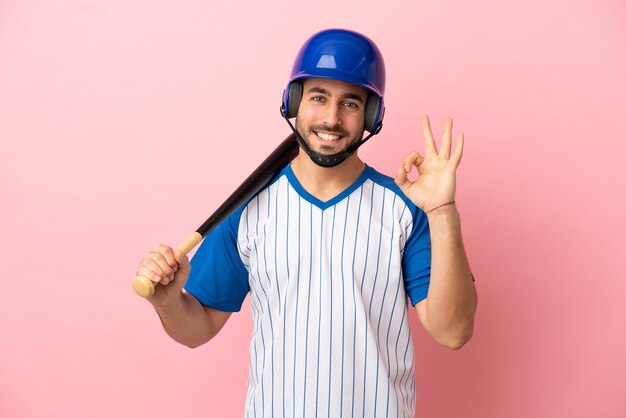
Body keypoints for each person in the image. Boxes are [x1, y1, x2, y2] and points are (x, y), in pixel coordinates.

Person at [135, 29, 477, 418]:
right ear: (294, 101)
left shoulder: (404, 207)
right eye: (318, 97)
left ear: (371, 116)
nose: (331, 118)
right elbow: (196, 329)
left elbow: (454, 332)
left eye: (350, 102)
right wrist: (167, 301)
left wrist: (442, 210)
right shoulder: (247, 210)